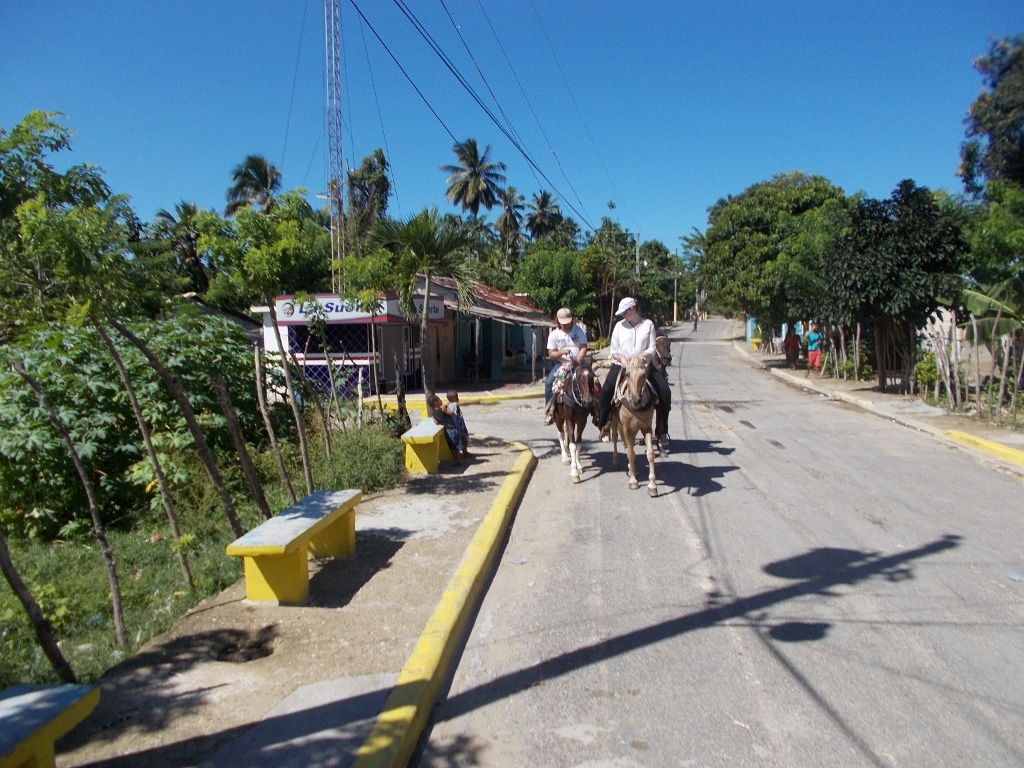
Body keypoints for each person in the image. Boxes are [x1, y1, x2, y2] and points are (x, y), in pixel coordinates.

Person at [596, 297, 671, 445]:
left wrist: (642, 357)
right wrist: (622, 359)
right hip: (623, 364)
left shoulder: (648, 324)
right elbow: (614, 350)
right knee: (605, 391)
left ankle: (662, 429)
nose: (623, 316)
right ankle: (604, 424)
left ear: (632, 309)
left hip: (643, 365)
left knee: (665, 392)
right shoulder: (619, 326)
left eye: (625, 312)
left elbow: (652, 347)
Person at [543, 307, 589, 425]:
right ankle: (550, 410)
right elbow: (551, 354)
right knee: (550, 383)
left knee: (591, 380)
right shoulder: (554, 335)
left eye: (568, 322)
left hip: (578, 363)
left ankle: (597, 410)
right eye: (564, 323)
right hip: (561, 365)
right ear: (558, 321)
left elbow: (583, 347)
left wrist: (578, 360)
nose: (567, 325)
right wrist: (561, 352)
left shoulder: (578, 331)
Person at [428, 394, 465, 465]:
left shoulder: (433, 413)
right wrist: (447, 408)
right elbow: (451, 413)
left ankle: (456, 459)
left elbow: (436, 422)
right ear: (436, 402)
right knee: (456, 446)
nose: (441, 400)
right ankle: (458, 460)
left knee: (452, 446)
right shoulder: (443, 408)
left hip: (446, 430)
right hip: (452, 428)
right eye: (439, 399)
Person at [446, 390, 471, 458]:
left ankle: (464, 452)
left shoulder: (448, 404)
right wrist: (475, 402)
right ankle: (465, 452)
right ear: (451, 399)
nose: (458, 399)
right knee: (464, 438)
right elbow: (460, 404)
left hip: (457, 424)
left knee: (462, 439)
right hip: (459, 425)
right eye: (456, 397)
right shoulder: (454, 404)